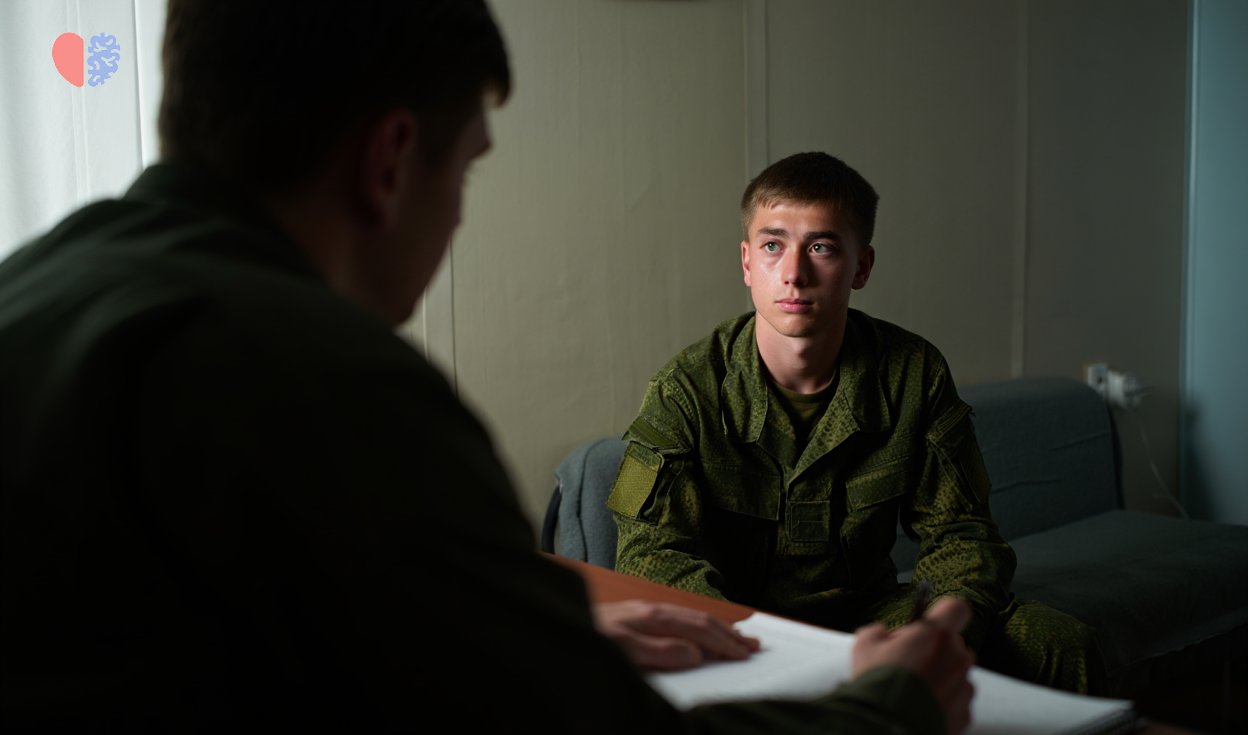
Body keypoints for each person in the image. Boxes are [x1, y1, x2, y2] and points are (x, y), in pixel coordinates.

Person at [0, 1, 977, 733]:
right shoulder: (339, 383)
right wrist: (891, 708)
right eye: (466, 168)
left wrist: (526, 633)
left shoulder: (33, 289)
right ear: (390, 161)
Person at [608, 151, 1107, 695]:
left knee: (1061, 645)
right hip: (741, 624)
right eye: (773, 246)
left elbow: (961, 534)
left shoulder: (911, 373)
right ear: (747, 262)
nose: (794, 274)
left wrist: (938, 631)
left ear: (861, 267)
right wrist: (751, 644)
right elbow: (650, 553)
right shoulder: (688, 388)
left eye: (820, 247)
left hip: (871, 617)